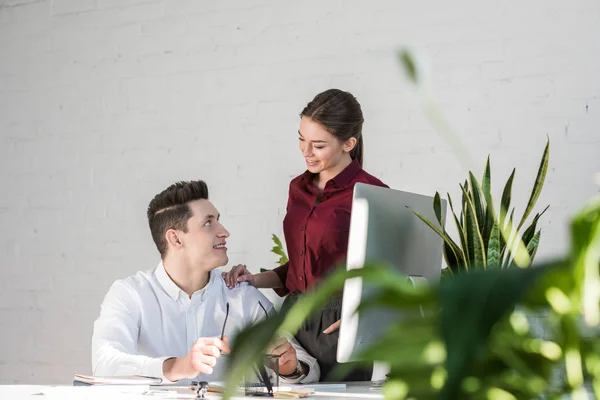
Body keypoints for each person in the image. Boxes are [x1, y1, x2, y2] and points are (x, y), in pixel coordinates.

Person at [222, 89, 388, 381]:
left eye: (318, 145)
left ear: (349, 143)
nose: (306, 151)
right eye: (301, 139)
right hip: (294, 318)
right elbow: (305, 264)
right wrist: (256, 279)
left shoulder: (371, 193)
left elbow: (388, 271)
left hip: (336, 324)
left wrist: (362, 317)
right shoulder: (298, 188)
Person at [92, 180, 319, 384]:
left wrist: (290, 367)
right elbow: (104, 365)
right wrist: (176, 366)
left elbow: (308, 366)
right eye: (209, 223)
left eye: (218, 220)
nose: (225, 232)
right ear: (175, 238)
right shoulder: (130, 294)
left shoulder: (243, 297)